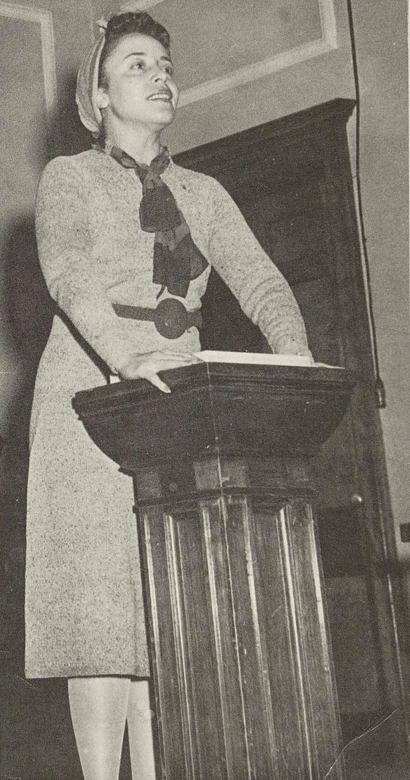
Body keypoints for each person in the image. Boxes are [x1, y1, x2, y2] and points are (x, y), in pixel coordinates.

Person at [25, 5, 312, 780]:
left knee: (165, 616)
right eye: (137, 65)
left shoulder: (202, 191)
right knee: (100, 619)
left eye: (164, 66)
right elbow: (68, 275)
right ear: (100, 95)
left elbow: (261, 281)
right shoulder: (69, 177)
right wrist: (124, 360)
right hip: (90, 394)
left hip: (178, 399)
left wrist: (296, 364)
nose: (160, 77)